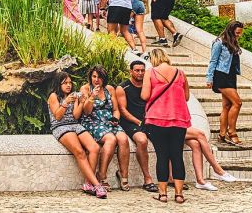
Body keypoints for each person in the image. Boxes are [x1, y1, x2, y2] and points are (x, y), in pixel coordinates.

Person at [141, 48, 191, 204]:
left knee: (162, 156)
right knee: (177, 155)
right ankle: (179, 194)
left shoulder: (151, 72)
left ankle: (162, 194)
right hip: (178, 118)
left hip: (157, 118)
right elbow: (187, 96)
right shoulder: (180, 73)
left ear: (153, 59)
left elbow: (144, 96)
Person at [47, 71, 106, 198]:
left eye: (70, 83)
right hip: (60, 126)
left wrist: (80, 101)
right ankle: (97, 185)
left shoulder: (73, 95)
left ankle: (88, 184)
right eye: (65, 83)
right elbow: (57, 116)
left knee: (95, 148)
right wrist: (65, 102)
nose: (68, 85)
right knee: (80, 152)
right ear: (58, 84)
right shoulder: (53, 96)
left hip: (74, 124)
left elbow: (76, 116)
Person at [79, 66, 130, 191]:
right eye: (94, 76)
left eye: (99, 77)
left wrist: (115, 119)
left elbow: (116, 110)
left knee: (123, 139)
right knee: (111, 139)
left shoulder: (110, 89)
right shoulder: (85, 88)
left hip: (109, 121)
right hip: (92, 121)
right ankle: (101, 175)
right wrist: (92, 97)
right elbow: (86, 112)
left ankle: (123, 176)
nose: (96, 80)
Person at [114, 61, 158, 193]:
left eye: (142, 70)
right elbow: (122, 110)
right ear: (131, 71)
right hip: (131, 123)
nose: (140, 73)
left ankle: (172, 177)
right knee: (142, 141)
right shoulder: (123, 88)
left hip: (148, 121)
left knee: (165, 138)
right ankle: (147, 179)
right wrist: (138, 122)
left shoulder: (147, 85)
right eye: (137, 70)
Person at [207, 20, 245, 145]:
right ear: (231, 30)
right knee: (237, 103)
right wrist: (209, 78)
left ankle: (222, 134)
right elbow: (213, 61)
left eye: (240, 33)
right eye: (237, 32)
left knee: (227, 106)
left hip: (231, 75)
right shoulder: (219, 42)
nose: (239, 35)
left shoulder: (232, 41)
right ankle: (231, 132)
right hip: (221, 75)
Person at [185, 126, 237, 190]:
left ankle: (200, 181)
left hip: (178, 124)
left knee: (195, 144)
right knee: (201, 134)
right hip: (171, 126)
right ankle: (217, 170)